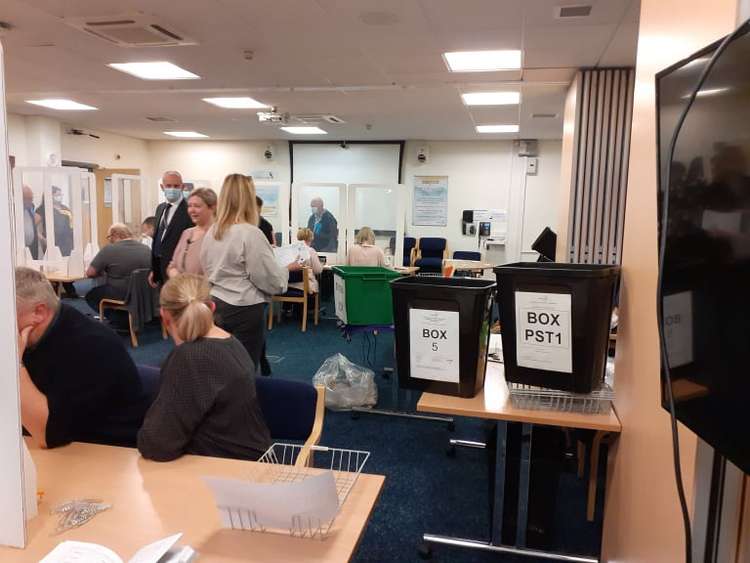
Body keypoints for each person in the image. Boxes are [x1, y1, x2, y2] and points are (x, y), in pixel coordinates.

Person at [137, 274, 272, 462]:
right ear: (211, 307)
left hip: (226, 474)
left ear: (164, 316)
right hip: (251, 463)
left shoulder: (190, 359)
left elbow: (157, 445)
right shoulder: (232, 343)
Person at [15, 267, 149, 449]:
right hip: (63, 450)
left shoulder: (91, 346)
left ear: (39, 312)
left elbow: (47, 434)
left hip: (106, 454)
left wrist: (14, 364)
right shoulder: (35, 338)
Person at [201, 173, 298, 369]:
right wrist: (286, 271)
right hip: (244, 310)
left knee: (218, 363)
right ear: (249, 198)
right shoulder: (250, 233)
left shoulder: (212, 231)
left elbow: (206, 267)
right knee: (243, 368)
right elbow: (269, 280)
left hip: (216, 304)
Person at [84, 223, 152, 313]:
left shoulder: (109, 249)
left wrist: (103, 272)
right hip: (144, 293)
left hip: (120, 293)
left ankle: (119, 319)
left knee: (91, 296)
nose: (109, 240)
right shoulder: (146, 249)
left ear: (115, 235)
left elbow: (90, 273)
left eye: (109, 237)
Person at [149, 171, 192, 287]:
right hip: (159, 271)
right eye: (168, 186)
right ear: (162, 187)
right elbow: (159, 239)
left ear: (182, 187)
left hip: (178, 272)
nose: (172, 189)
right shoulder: (160, 208)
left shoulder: (189, 210)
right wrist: (154, 269)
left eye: (176, 186)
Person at [167, 188, 217, 278]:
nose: (191, 210)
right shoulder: (186, 233)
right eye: (189, 206)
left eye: (197, 206)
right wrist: (177, 277)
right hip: (182, 289)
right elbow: (172, 266)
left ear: (212, 207)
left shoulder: (218, 235)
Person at [291, 228, 324, 293]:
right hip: (305, 286)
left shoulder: (291, 250)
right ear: (310, 239)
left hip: (288, 285)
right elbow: (318, 270)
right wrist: (321, 264)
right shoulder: (310, 251)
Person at [22, 185, 39, 259]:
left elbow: (36, 218)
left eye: (32, 199)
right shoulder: (14, 211)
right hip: (21, 249)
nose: (31, 201)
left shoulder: (31, 207)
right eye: (28, 199)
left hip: (32, 248)